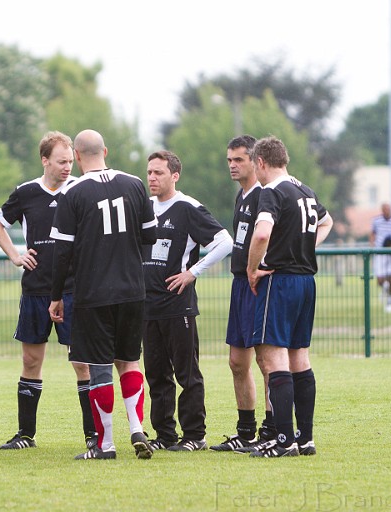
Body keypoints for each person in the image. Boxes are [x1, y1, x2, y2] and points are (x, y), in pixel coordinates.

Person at [48, 129, 158, 460]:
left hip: (93, 293)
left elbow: (62, 252)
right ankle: (137, 426)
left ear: (77, 156)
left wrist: (56, 296)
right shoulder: (135, 184)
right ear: (105, 151)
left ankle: (106, 443)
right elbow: (150, 236)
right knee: (129, 359)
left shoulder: (72, 193)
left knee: (98, 366)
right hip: (132, 289)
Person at [0, 131, 97, 450]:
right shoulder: (26, 192)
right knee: (31, 359)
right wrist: (15, 255)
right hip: (36, 289)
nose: (68, 167)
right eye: (62, 162)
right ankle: (26, 435)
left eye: (70, 161)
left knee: (82, 361)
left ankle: (93, 435)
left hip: (75, 290)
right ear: (45, 160)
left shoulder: (81, 189)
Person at [246, 136, 333, 458]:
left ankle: (283, 442)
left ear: (261, 163)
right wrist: (304, 247)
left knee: (274, 358)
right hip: (306, 281)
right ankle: (304, 439)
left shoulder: (271, 192)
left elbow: (262, 233)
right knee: (299, 357)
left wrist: (253, 268)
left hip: (279, 281)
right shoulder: (304, 191)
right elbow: (327, 222)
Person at [142, 150, 233, 452]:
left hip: (177, 305)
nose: (152, 178)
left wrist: (193, 272)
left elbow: (224, 242)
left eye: (159, 173)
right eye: (150, 172)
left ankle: (195, 435)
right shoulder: (144, 208)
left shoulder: (188, 208)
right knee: (156, 374)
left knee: (187, 373)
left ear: (175, 175)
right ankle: (164, 435)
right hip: (147, 306)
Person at [210, 135, 277, 452]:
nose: (232, 166)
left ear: (255, 160)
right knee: (237, 362)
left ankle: (272, 429)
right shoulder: (242, 195)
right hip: (239, 283)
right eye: (229, 160)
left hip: (258, 285)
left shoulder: (266, 194)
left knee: (266, 360)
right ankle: (246, 432)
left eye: (239, 159)